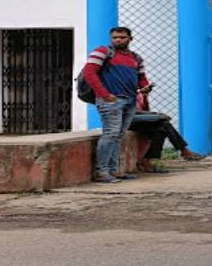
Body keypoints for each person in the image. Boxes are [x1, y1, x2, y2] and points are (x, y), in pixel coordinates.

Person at [83, 26, 150, 183]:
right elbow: (89, 72)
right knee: (111, 134)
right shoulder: (102, 52)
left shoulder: (136, 58)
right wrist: (104, 94)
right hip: (111, 101)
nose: (118, 40)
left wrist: (145, 87)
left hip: (130, 100)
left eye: (122, 37)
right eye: (115, 37)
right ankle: (102, 172)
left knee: (118, 136)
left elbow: (141, 78)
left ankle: (113, 171)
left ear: (130, 39)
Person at [129, 92, 204, 173]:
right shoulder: (120, 88)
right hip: (123, 120)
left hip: (131, 118)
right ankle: (183, 150)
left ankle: (146, 160)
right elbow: (129, 111)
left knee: (162, 127)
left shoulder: (132, 91)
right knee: (163, 123)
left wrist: (155, 114)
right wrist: (155, 115)